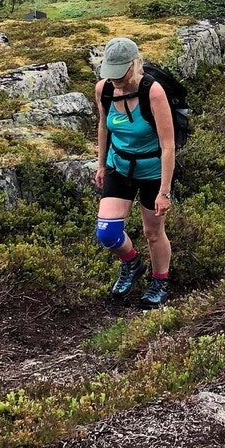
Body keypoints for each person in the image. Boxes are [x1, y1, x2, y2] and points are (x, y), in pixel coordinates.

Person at [94, 36, 175, 308]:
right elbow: (104, 127)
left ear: (134, 64)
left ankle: (160, 280)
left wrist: (164, 191)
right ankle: (132, 264)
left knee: (153, 232)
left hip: (152, 169)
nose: (114, 78)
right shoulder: (103, 89)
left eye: (120, 72)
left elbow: (168, 145)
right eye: (110, 71)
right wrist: (101, 163)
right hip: (119, 165)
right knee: (107, 232)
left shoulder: (153, 92)